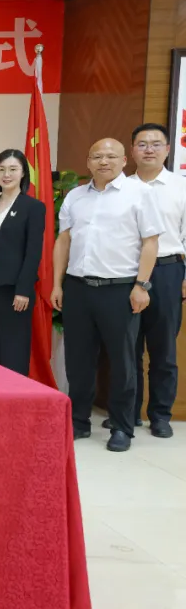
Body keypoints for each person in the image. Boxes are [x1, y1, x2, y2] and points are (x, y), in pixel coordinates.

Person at [52, 138, 163, 452]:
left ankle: (122, 426)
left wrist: (141, 285)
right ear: (88, 162)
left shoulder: (140, 194)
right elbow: (63, 241)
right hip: (78, 288)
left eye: (111, 156)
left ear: (124, 160)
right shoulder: (75, 196)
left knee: (122, 362)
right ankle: (78, 421)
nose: (104, 161)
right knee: (78, 360)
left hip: (120, 289)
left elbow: (151, 243)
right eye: (97, 156)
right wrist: (57, 284)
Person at [116, 123, 183, 438]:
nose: (149, 149)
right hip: (127, 273)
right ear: (132, 151)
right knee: (127, 348)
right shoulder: (120, 187)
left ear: (167, 149)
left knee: (163, 349)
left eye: (156, 144)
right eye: (142, 144)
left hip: (168, 271)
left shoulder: (181, 187)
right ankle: (128, 414)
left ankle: (160, 415)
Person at [0, 149, 46, 374]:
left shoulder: (33, 207)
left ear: (23, 173)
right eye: (1, 169)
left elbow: (33, 253)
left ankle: (15, 392)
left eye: (13, 169)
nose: (6, 174)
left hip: (15, 285)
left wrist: (23, 290)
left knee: (14, 344)